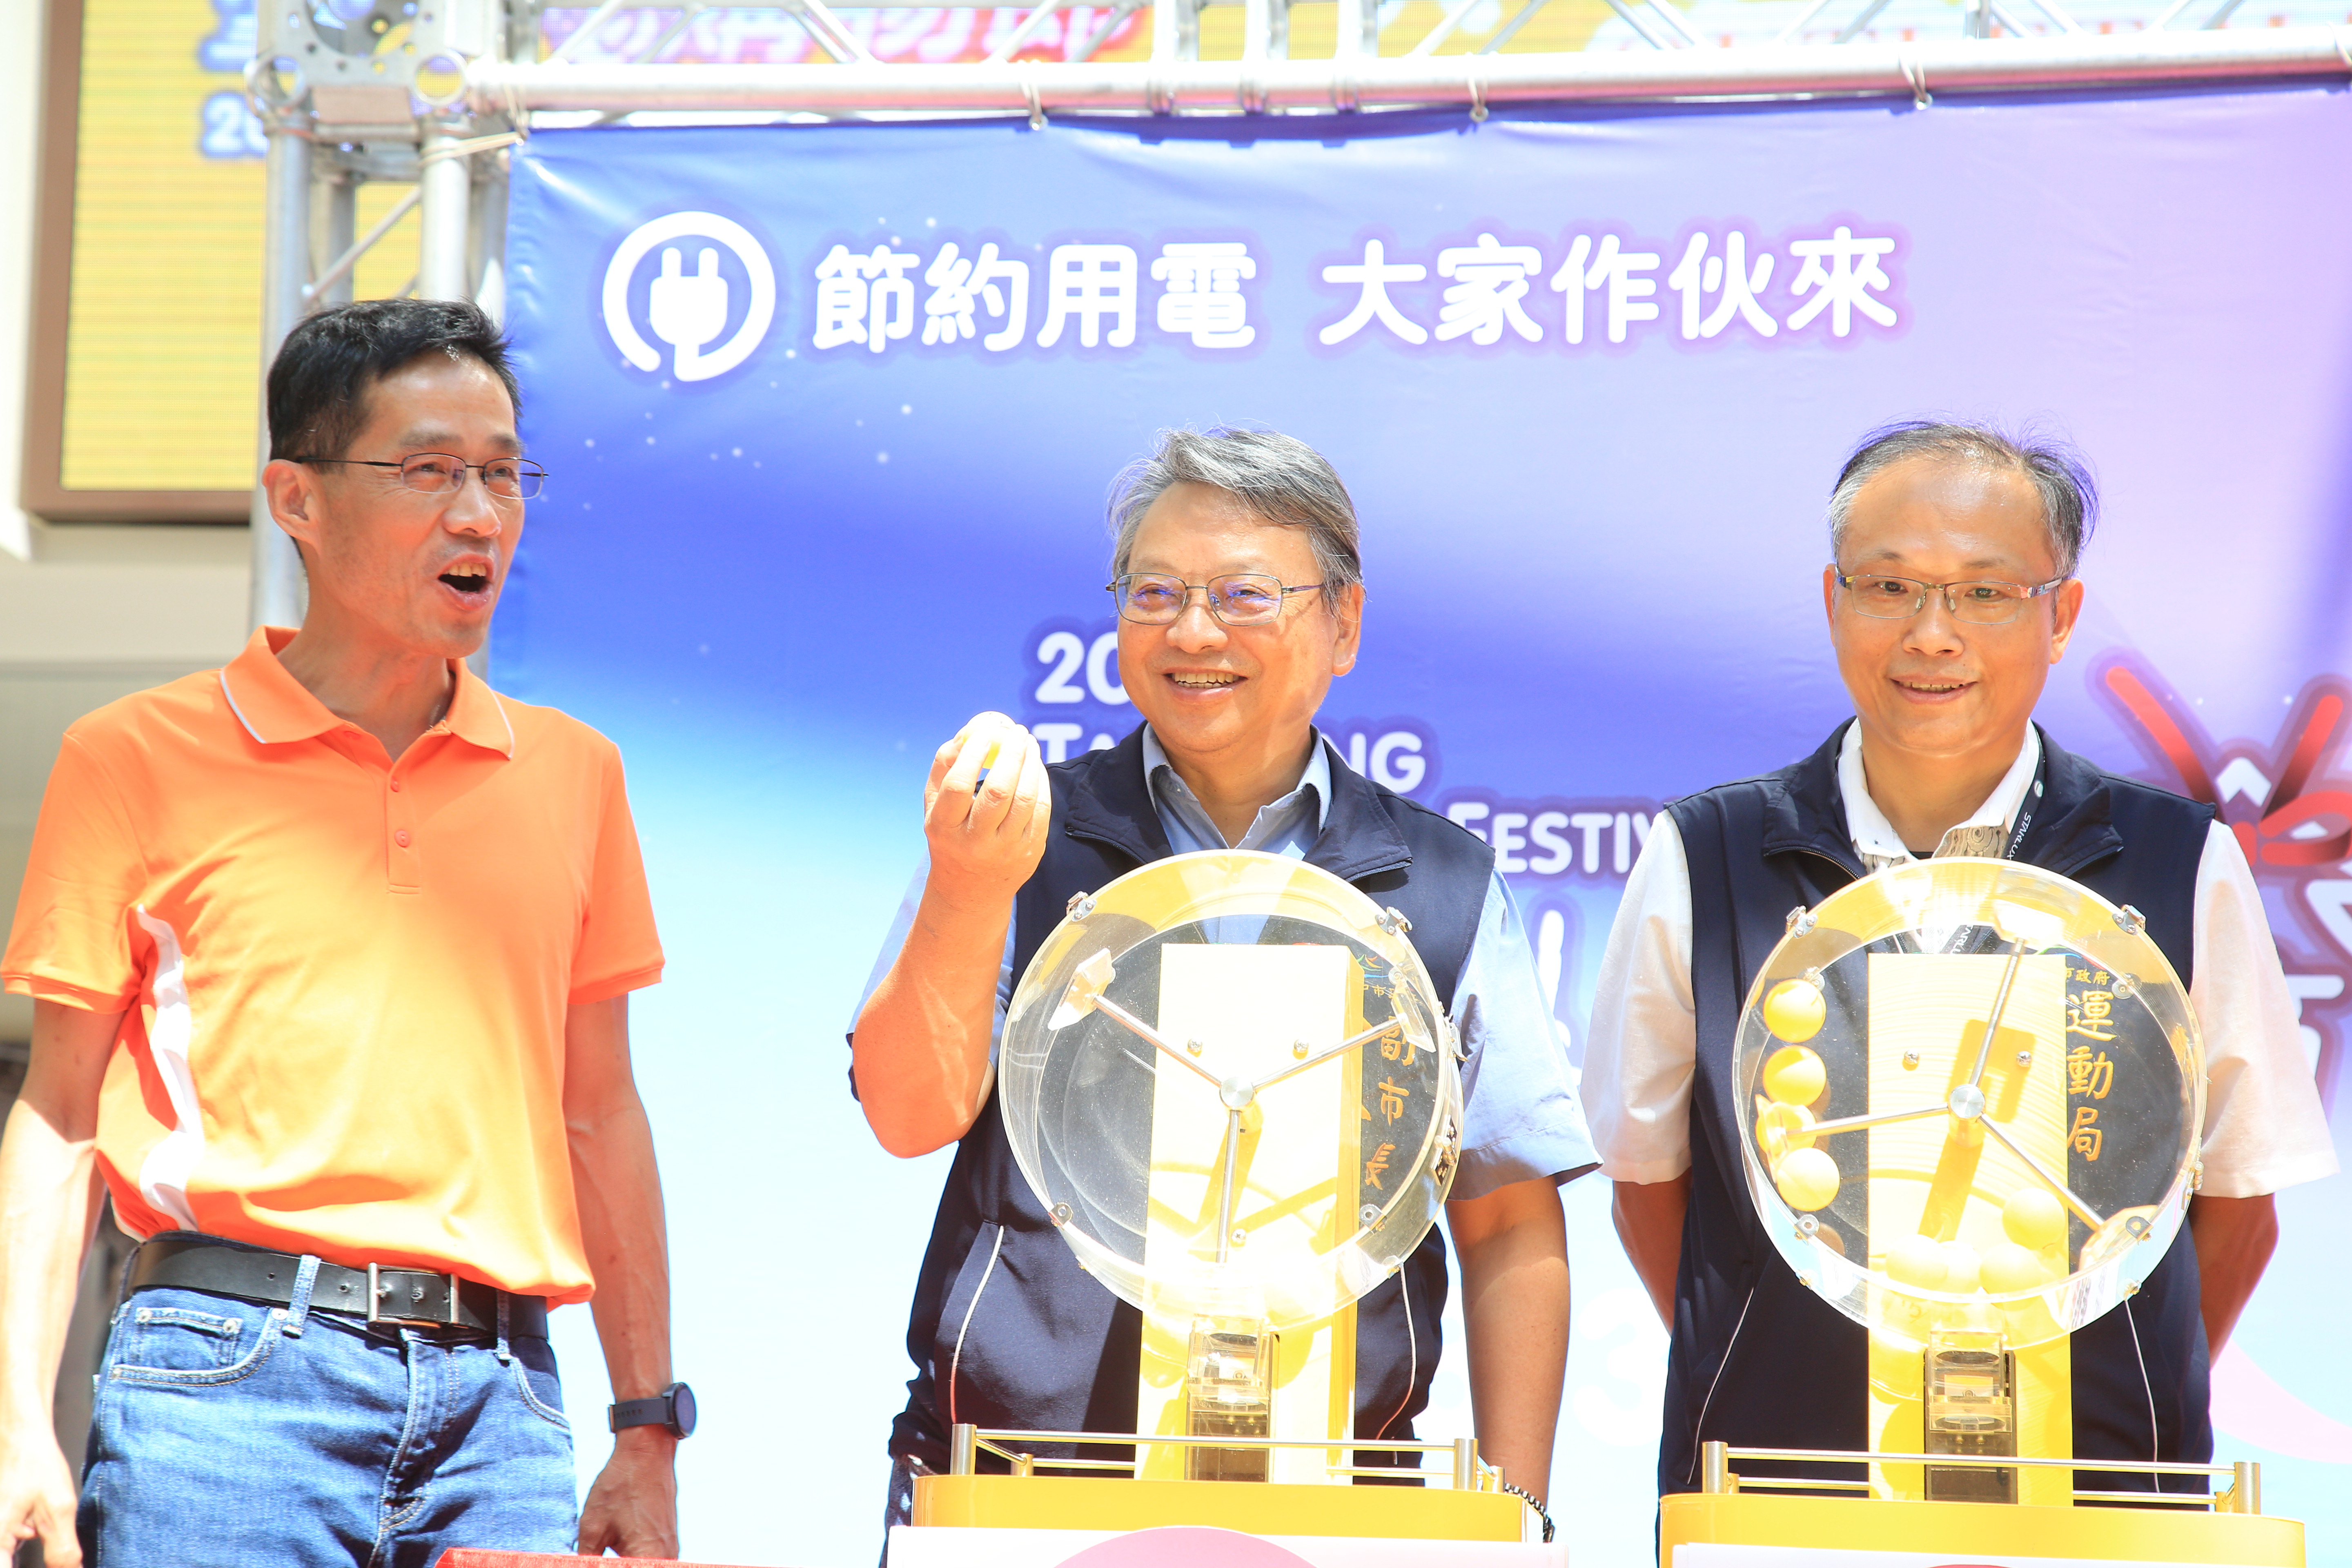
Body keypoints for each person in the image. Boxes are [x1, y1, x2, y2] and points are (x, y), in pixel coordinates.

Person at [0, 298, 688, 1566]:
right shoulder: (131, 757)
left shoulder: (577, 774)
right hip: (225, 1384)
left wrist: (647, 1425)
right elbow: (60, 1110)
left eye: (501, 474)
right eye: (427, 471)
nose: (478, 515)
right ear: (297, 499)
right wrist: (16, 1430)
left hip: (505, 1409)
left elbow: (602, 1110)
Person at [851, 427, 1595, 1532]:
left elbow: (1508, 1221)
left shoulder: (1439, 885)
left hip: (1335, 1509)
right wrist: (967, 888)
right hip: (1018, 1488)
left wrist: (1517, 1519)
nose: (1193, 631)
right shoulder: (1018, 837)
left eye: (1245, 594)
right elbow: (907, 1117)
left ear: (1343, 623)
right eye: (1155, 591)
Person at [1585, 420, 2337, 1502]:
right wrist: (1775, 1357)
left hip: (2094, 1497)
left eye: (1985, 593)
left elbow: (2239, 1199)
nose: (1932, 634)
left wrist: (2127, 1392)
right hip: (1780, 1484)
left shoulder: (2175, 864)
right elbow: (1648, 1182)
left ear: (2061, 616)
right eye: (1889, 586)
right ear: (1833, 600)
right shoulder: (1707, 857)